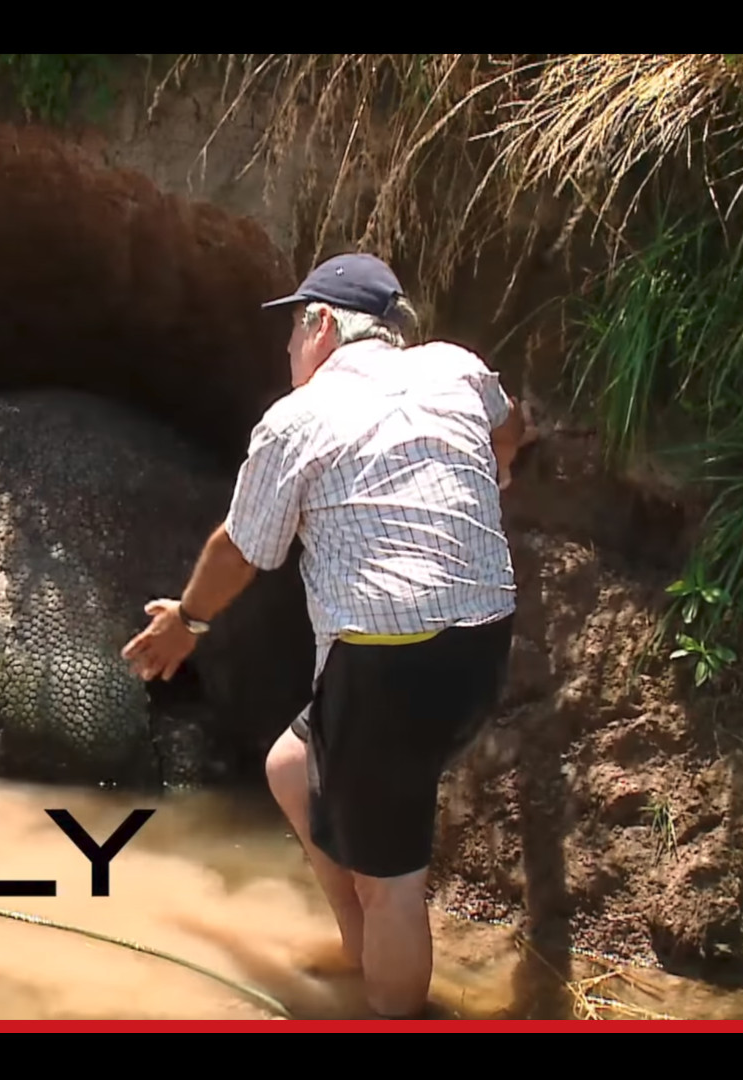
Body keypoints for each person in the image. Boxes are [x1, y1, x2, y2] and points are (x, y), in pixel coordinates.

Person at [120, 252, 529, 1019]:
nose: (286, 351)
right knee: (290, 763)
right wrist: (498, 471)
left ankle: (391, 995)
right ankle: (361, 949)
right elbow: (510, 424)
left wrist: (187, 622)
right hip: (482, 646)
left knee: (391, 880)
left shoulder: (297, 419)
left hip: (388, 662)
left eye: (291, 331)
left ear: (319, 325)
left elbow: (241, 548)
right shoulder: (454, 368)